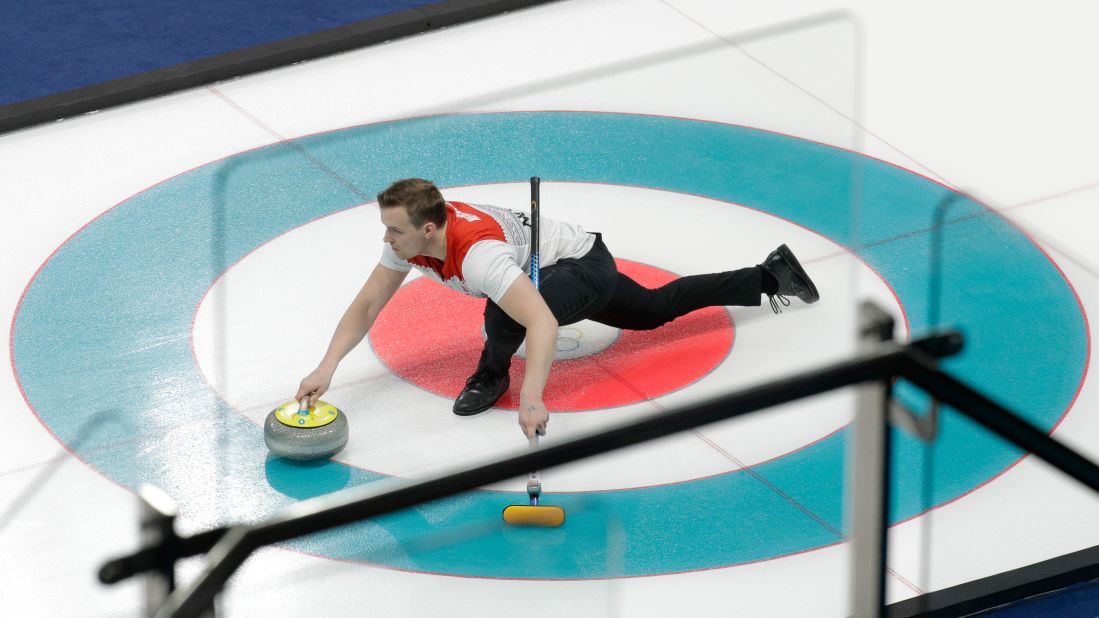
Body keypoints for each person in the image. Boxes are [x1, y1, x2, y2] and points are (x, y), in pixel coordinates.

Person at [296, 178, 819, 439]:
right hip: (562, 261)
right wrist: (328, 365)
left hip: (582, 265)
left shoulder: (479, 255)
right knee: (654, 310)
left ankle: (491, 376)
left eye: (394, 229)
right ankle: (771, 275)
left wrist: (532, 398)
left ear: (428, 229)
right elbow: (367, 305)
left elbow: (541, 320)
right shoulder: (409, 240)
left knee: (507, 314)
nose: (386, 238)